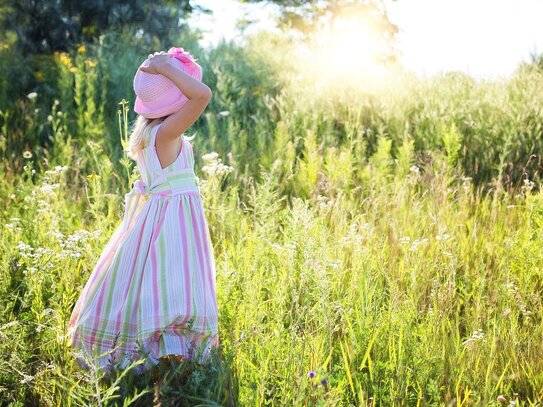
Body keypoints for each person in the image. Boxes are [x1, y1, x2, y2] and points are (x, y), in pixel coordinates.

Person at [66, 47, 219, 375]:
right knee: (171, 283)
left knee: (144, 281)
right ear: (177, 97)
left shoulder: (150, 133)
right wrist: (165, 66)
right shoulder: (166, 134)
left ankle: (160, 350)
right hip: (173, 223)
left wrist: (164, 69)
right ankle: (167, 349)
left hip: (156, 217)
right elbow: (203, 95)